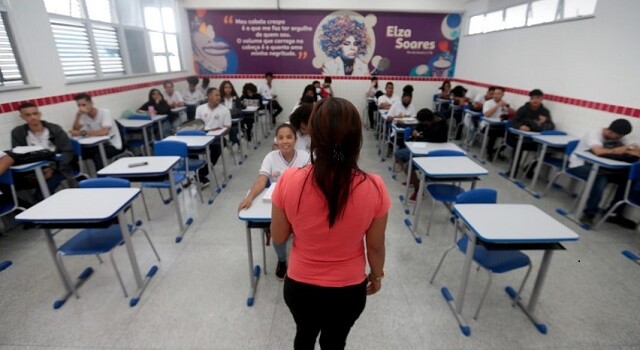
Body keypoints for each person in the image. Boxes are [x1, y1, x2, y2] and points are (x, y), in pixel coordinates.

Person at [271, 97, 389, 349]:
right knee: (335, 342)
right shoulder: (375, 186)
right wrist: (377, 275)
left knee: (303, 335)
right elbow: (376, 247)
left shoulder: (289, 180)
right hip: (348, 291)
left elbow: (278, 237)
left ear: (311, 133)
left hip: (300, 287)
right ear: (356, 138)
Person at [238, 124, 311, 280]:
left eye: (289, 137)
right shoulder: (271, 157)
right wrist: (250, 197)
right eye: (281, 138)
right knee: (278, 233)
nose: (285, 141)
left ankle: (305, 261)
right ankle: (282, 260)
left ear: (295, 139)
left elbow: (312, 183)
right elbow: (262, 179)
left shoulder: (305, 156)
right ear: (276, 140)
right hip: (277, 204)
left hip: (300, 203)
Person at [569, 119, 633, 226]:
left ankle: (614, 213)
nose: (620, 138)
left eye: (621, 136)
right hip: (579, 165)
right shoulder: (594, 134)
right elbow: (598, 151)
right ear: (610, 131)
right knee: (600, 179)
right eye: (618, 136)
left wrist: (628, 148)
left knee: (627, 179)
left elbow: (635, 149)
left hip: (603, 167)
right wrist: (616, 150)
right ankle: (589, 213)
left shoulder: (620, 136)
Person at [11, 102, 76, 199]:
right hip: (32, 172)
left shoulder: (55, 129)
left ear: (39, 114)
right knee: (9, 188)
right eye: (28, 115)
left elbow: (68, 152)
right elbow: (18, 154)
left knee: (41, 196)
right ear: (22, 117)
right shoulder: (18, 132)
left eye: (35, 113)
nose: (32, 117)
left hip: (58, 168)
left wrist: (52, 168)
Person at [394, 108, 448, 201]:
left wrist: (419, 136)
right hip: (422, 146)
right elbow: (419, 126)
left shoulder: (439, 127)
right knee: (398, 154)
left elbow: (429, 138)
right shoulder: (433, 115)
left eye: (424, 123)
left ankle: (418, 190)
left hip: (433, 151)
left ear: (427, 121)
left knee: (408, 166)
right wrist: (416, 130)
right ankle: (413, 179)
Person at [70, 93, 123, 170]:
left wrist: (83, 132)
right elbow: (75, 131)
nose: (81, 108)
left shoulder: (105, 112)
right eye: (79, 106)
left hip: (111, 144)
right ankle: (79, 178)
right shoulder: (83, 115)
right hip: (93, 145)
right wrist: (77, 116)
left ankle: (103, 178)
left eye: (84, 105)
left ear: (91, 103)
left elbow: (104, 132)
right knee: (73, 154)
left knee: (97, 154)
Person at [509, 89, 555, 176]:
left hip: (535, 139)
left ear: (542, 99)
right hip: (519, 137)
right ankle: (513, 170)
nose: (535, 100)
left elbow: (551, 126)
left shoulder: (545, 111)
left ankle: (530, 167)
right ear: (530, 99)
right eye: (532, 98)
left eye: (537, 98)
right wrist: (520, 127)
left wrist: (545, 121)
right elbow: (513, 122)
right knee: (518, 146)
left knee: (548, 150)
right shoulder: (523, 109)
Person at [195, 88, 232, 185]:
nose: (219, 97)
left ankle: (201, 173)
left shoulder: (224, 110)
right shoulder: (200, 109)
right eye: (216, 95)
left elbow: (227, 128)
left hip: (218, 137)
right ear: (209, 96)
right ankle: (194, 170)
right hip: (203, 136)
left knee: (217, 147)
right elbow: (197, 125)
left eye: (219, 95)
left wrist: (217, 132)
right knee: (190, 149)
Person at [482, 87, 515, 160]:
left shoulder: (504, 103)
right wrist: (497, 105)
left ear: (503, 95)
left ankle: (497, 151)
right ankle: (489, 153)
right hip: (488, 126)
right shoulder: (488, 103)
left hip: (501, 126)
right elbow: (487, 115)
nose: (496, 95)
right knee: (494, 133)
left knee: (512, 136)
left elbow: (513, 114)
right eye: (495, 94)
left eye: (498, 94)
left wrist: (508, 107)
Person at [219, 80, 243, 145]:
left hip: (234, 122)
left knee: (233, 133)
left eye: (230, 87)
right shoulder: (220, 99)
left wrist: (227, 112)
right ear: (222, 89)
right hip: (222, 123)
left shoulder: (236, 99)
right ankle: (228, 143)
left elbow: (238, 111)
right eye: (226, 88)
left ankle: (236, 142)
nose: (228, 89)